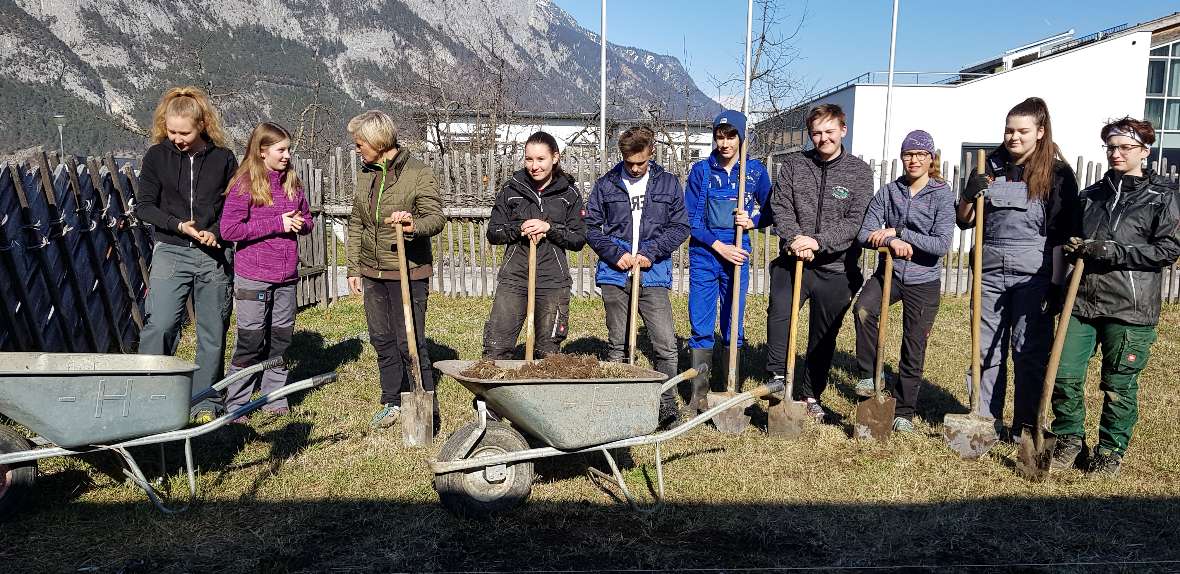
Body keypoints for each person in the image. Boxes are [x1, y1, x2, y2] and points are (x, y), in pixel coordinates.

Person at [1050, 117, 1180, 477]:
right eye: (1111, 147)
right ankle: (1068, 439)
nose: (1116, 153)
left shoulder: (1163, 197)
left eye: (1125, 147)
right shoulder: (1091, 196)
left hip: (1130, 305)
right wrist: (1076, 250)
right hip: (1082, 301)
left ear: (1144, 151)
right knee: (1064, 374)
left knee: (1118, 383)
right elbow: (1068, 240)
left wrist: (1114, 251)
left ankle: (1110, 450)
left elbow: (1168, 249)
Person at [957, 97, 1080, 440]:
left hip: (1034, 278)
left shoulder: (1056, 174)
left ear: (1040, 132)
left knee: (1028, 353)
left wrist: (1056, 284)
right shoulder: (988, 167)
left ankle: (1025, 427)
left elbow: (1060, 235)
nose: (1014, 137)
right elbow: (964, 221)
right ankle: (984, 421)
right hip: (988, 274)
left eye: (1023, 131)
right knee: (984, 351)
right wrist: (969, 194)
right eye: (1009, 130)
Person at [135, 86, 238, 423]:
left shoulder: (223, 159)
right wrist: (178, 225)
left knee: (212, 329)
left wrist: (218, 232)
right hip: (171, 251)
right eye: (171, 131)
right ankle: (148, 393)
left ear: (202, 125)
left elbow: (234, 207)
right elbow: (144, 207)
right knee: (161, 323)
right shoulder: (156, 157)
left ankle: (205, 400)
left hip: (213, 255)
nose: (176, 138)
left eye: (184, 132)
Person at [765, 103, 873, 422]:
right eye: (816, 133)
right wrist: (797, 239)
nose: (822, 138)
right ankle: (777, 378)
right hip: (793, 260)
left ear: (843, 130)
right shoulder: (795, 166)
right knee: (780, 313)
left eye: (829, 131)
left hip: (836, 269)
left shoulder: (859, 172)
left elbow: (856, 220)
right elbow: (780, 205)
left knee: (823, 336)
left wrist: (818, 241)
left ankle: (811, 394)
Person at [345, 110, 445, 429]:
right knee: (381, 338)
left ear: (378, 141)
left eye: (360, 143)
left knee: (409, 340)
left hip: (408, 270)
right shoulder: (366, 173)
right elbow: (357, 222)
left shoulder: (417, 173)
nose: (358, 148)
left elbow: (436, 217)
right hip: (372, 271)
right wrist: (354, 268)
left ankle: (422, 400)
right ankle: (391, 400)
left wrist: (413, 224)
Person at [585, 126, 690, 425]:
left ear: (651, 153)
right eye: (628, 162)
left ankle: (666, 403)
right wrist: (615, 254)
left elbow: (680, 227)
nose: (633, 168)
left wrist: (652, 251)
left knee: (666, 343)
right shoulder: (606, 185)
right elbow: (591, 227)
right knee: (617, 343)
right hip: (615, 273)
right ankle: (616, 402)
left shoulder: (668, 185)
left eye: (640, 163)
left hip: (652, 272)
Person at [852, 130, 955, 433]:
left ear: (930, 158)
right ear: (902, 157)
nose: (914, 160)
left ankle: (905, 410)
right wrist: (888, 243)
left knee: (913, 343)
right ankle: (872, 376)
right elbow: (863, 233)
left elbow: (941, 245)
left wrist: (899, 233)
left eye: (921, 154)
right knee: (864, 310)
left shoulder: (942, 195)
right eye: (908, 154)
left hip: (924, 280)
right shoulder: (889, 192)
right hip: (891, 273)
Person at [219, 123, 312, 420]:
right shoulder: (244, 185)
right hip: (253, 275)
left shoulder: (292, 183)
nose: (287, 155)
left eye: (288, 149)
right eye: (281, 149)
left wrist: (301, 225)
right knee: (251, 339)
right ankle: (237, 403)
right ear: (262, 151)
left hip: (286, 276)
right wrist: (277, 224)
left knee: (281, 339)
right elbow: (229, 229)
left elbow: (307, 219)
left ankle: (274, 396)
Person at [683, 110, 773, 411]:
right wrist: (719, 246)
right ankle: (699, 394)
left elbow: (774, 210)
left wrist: (753, 220)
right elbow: (691, 222)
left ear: (742, 138)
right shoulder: (702, 172)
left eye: (731, 136)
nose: (724, 143)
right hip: (705, 255)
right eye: (719, 136)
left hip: (738, 254)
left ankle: (730, 385)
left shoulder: (754, 173)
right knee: (701, 322)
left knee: (733, 322)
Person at [483, 131, 586, 359]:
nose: (534, 166)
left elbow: (578, 238)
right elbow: (493, 232)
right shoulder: (512, 190)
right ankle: (491, 395)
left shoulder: (569, 194)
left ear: (555, 158)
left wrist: (549, 228)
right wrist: (519, 228)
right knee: (496, 346)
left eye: (541, 159)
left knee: (547, 351)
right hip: (515, 278)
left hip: (552, 280)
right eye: (529, 159)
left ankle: (541, 394)